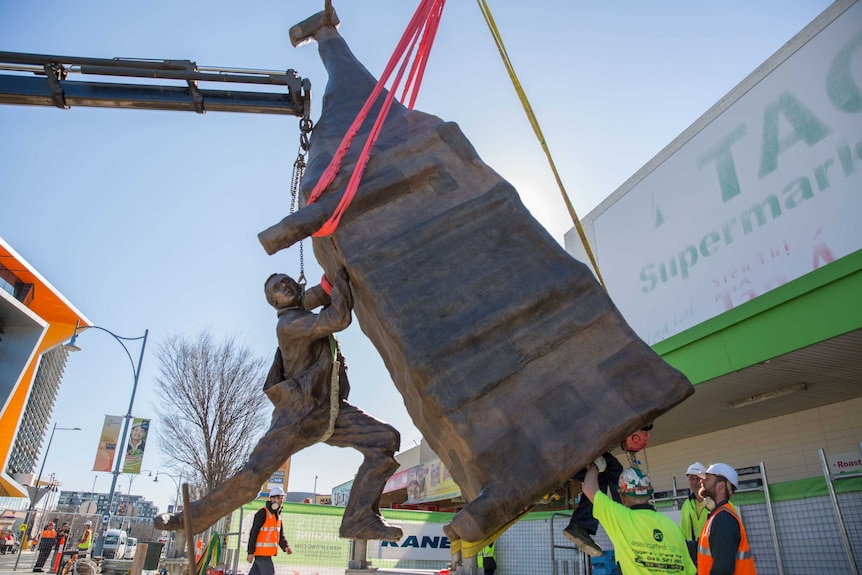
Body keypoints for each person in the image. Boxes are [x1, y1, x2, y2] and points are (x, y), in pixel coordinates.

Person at [155, 269, 402, 542]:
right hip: (295, 416)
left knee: (385, 439)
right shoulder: (289, 324)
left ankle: (359, 519)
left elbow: (316, 297)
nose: (284, 286)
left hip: (327, 411)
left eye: (287, 282)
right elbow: (339, 318)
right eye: (277, 289)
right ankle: (185, 519)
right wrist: (342, 272)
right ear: (275, 304)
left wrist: (331, 280)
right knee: (252, 476)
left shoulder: (303, 313)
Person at [583, 460, 695, 574]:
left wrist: (596, 465)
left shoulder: (620, 517)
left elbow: (589, 488)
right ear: (650, 493)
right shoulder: (672, 527)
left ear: (622, 497)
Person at [697, 463, 757, 574]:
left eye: (707, 478)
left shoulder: (723, 519)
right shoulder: (720, 515)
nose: (701, 481)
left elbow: (722, 570)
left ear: (721, 486)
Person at [563, 452, 623, 557]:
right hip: (566, 452)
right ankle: (623, 516)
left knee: (600, 476)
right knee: (612, 467)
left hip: (561, 457)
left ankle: (580, 525)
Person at [246, 486, 292, 575]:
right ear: (271, 498)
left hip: (266, 554)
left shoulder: (278, 515)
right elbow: (253, 533)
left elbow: (280, 535)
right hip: (262, 554)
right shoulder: (263, 512)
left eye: (282, 498)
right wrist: (250, 552)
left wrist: (285, 547)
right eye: (278, 497)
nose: (281, 500)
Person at [680, 462, 708, 564]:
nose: (695, 482)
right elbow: (682, 532)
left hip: (712, 556)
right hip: (692, 558)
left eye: (698, 478)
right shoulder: (686, 505)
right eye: (692, 478)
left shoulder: (715, 503)